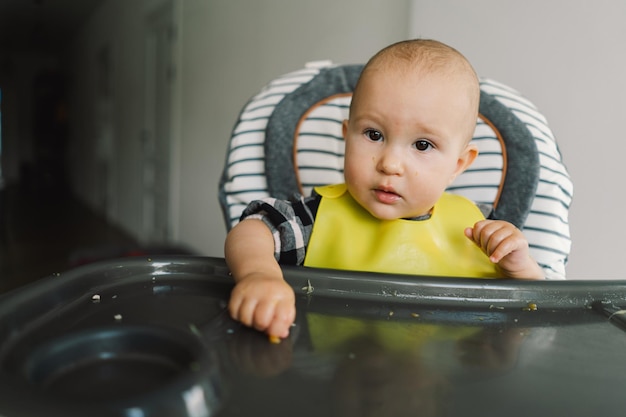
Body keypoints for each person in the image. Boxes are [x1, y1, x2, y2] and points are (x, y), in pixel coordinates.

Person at [225, 39, 544, 340]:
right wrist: (258, 275)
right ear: (346, 135)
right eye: (373, 135)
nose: (390, 163)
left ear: (458, 164)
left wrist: (520, 269)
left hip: (442, 383)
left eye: (422, 144)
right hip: (337, 373)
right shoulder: (315, 219)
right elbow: (254, 230)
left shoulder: (479, 231)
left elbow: (532, 308)